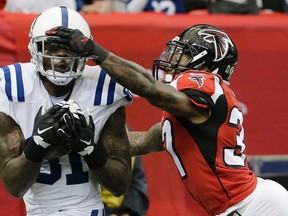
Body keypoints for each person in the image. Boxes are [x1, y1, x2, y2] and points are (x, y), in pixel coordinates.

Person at [46, 23, 288, 216]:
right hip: (243, 206)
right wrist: (83, 141)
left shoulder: (206, 84)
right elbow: (139, 142)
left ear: (206, 64)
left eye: (184, 54)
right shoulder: (193, 115)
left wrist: (94, 51)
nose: (173, 58)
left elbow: (152, 90)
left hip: (254, 207)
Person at [0, 6, 132, 216]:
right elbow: (14, 187)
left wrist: (89, 149)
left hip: (88, 209)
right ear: (36, 48)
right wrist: (38, 144)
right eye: (52, 46)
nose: (61, 54)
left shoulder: (103, 85)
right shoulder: (12, 85)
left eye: (69, 47)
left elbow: (119, 185)